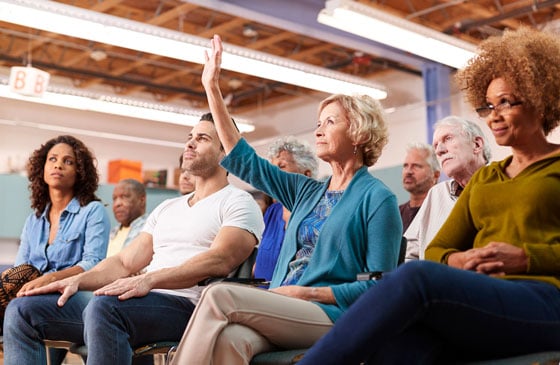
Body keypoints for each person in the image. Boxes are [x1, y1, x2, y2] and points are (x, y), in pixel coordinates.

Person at [296, 26, 560, 365]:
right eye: (488, 106)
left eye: (505, 103)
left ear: (540, 99)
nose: (493, 115)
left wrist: (526, 258)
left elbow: (424, 268)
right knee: (402, 344)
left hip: (547, 301)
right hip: (486, 303)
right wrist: (458, 261)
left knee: (415, 277)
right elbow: (436, 249)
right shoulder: (486, 179)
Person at [169, 34, 402, 365]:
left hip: (332, 315)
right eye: (318, 124)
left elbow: (380, 291)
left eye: (330, 122)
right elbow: (244, 158)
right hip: (285, 306)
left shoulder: (378, 199)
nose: (318, 131)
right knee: (231, 340)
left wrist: (306, 292)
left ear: (360, 133)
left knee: (217, 293)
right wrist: (212, 88)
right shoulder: (307, 190)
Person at [3, 113, 265, 364]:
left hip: (191, 307)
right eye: (190, 136)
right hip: (139, 302)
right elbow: (124, 262)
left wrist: (148, 279)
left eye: (203, 138)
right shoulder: (167, 208)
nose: (190, 142)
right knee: (23, 311)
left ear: (226, 153)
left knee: (106, 307)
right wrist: (75, 281)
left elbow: (220, 259)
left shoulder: (239, 202)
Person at [0, 135, 110, 336]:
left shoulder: (93, 211)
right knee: (15, 297)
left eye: (68, 161)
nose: (58, 165)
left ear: (79, 172)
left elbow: (93, 263)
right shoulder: (33, 221)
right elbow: (21, 267)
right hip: (35, 296)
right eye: (52, 159)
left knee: (18, 309)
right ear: (42, 168)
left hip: (75, 295)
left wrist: (51, 278)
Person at [404, 116, 490, 261]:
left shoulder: (503, 182)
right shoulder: (437, 194)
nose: (439, 151)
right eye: (436, 145)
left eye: (448, 139)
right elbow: (408, 252)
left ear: (476, 144)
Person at [253, 136, 319, 282]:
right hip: (260, 293)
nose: (273, 175)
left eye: (281, 167)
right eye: (272, 168)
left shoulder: (317, 213)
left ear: (306, 174)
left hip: (290, 297)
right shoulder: (272, 211)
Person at [398, 142, 440, 231]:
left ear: (435, 175)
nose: (408, 171)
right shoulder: (396, 213)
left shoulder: (443, 210)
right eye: (405, 166)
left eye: (416, 166)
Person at [106, 178, 148, 258]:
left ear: (142, 200)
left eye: (124, 197)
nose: (117, 204)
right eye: (114, 199)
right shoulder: (112, 232)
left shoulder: (149, 230)